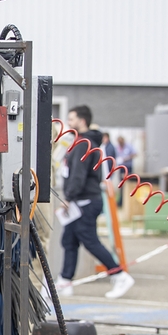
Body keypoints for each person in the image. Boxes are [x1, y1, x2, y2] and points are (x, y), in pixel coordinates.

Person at [54, 106, 135, 299]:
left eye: (71, 119)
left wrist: (68, 197)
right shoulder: (82, 143)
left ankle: (119, 274)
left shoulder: (84, 144)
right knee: (69, 240)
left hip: (84, 202)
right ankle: (65, 281)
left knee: (89, 241)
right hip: (81, 201)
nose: (69, 123)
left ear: (82, 121)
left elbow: (78, 175)